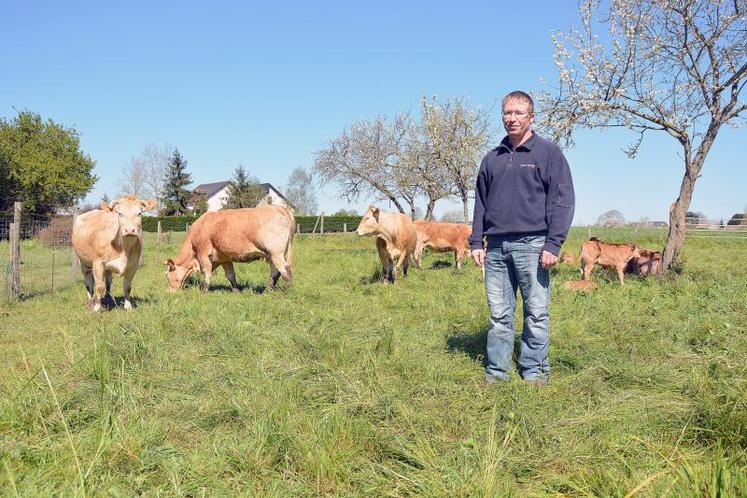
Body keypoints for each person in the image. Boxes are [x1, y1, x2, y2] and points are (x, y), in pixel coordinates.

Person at [470, 90, 575, 385]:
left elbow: (563, 200)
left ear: (531, 117)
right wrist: (476, 241)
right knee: (499, 315)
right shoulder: (491, 159)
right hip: (496, 249)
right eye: (507, 113)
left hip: (534, 245)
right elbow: (480, 201)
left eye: (518, 113)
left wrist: (553, 243)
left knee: (537, 313)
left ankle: (534, 371)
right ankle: (497, 372)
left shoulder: (549, 153)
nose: (511, 118)